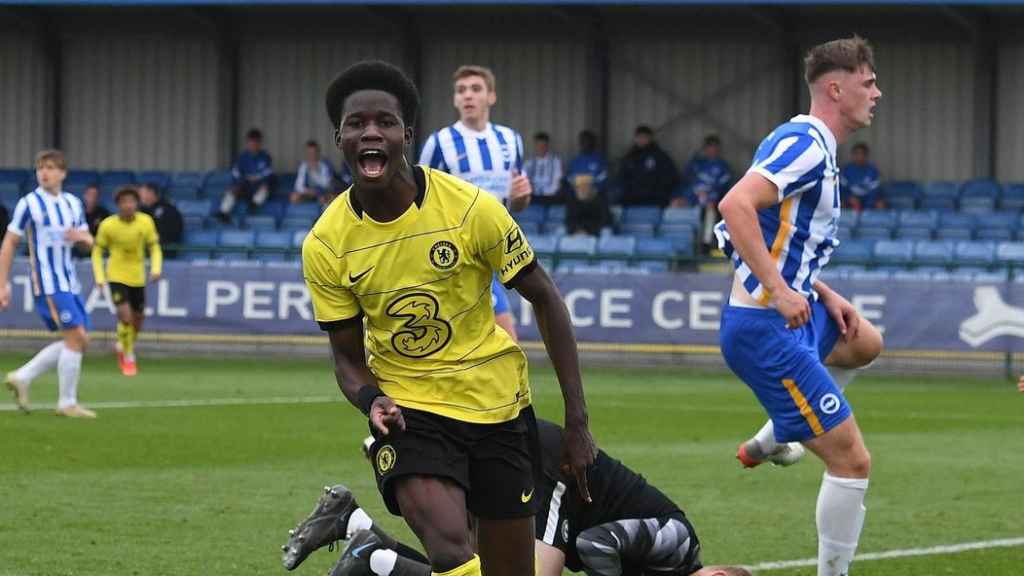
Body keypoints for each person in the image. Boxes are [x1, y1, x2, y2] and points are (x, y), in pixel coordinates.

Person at [303, 60, 595, 576]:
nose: (371, 132)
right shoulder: (326, 243)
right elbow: (347, 360)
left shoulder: (470, 209)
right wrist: (372, 401)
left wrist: (577, 420)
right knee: (450, 549)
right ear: (340, 138)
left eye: (385, 122)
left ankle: (378, 560)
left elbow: (545, 298)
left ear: (406, 136)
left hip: (497, 407)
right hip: (412, 412)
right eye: (357, 123)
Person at [714, 37, 883, 576]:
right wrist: (782, 291)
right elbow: (734, 206)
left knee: (864, 344)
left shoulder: (812, 145)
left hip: (792, 313)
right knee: (852, 461)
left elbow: (741, 231)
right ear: (836, 88)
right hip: (765, 329)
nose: (877, 93)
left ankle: (769, 439)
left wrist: (816, 290)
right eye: (868, 82)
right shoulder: (806, 143)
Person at [281, 419, 750, 576]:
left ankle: (364, 538)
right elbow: (596, 546)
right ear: (719, 570)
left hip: (552, 489)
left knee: (470, 565)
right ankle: (373, 552)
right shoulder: (679, 542)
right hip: (559, 473)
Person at [418, 65, 531, 341]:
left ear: (491, 97)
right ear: (455, 100)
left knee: (492, 344)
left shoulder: (510, 140)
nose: (468, 96)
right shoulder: (439, 143)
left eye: (476, 89)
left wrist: (521, 198)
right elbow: (416, 201)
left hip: (492, 252)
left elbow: (517, 203)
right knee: (506, 341)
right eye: (461, 90)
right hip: (455, 255)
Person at [0, 149, 96, 418]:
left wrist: (84, 238)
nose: (45, 172)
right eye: (41, 167)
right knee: (76, 337)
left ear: (63, 173)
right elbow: (9, 243)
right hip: (48, 282)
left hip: (69, 281)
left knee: (79, 339)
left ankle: (22, 376)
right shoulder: (29, 203)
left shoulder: (73, 204)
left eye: (51, 167)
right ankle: (67, 403)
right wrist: (2, 284)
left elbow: (88, 241)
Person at [92, 186, 162, 376]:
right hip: (116, 275)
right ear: (118, 205)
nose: (128, 205)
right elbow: (97, 251)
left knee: (138, 320)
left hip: (137, 277)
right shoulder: (108, 225)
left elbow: (154, 247)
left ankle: (123, 344)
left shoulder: (145, 222)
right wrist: (99, 276)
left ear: (137, 203)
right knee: (125, 316)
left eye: (131, 201)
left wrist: (156, 268)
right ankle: (128, 357)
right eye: (124, 202)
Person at [676, 135, 733, 249]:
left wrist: (712, 199)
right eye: (709, 147)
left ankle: (705, 245)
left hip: (711, 203)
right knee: (675, 205)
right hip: (692, 200)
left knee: (710, 211)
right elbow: (686, 183)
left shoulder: (723, 167)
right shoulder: (696, 164)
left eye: (714, 147)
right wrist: (682, 197)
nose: (712, 150)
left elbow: (724, 189)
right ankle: (679, 245)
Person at [217, 128, 274, 221]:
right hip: (245, 186)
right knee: (233, 189)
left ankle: (253, 205)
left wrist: (257, 178)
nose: (253, 145)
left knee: (265, 187)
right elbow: (236, 173)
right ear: (247, 143)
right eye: (251, 142)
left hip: (258, 186)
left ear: (260, 143)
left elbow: (267, 173)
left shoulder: (265, 157)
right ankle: (223, 212)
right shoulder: (242, 157)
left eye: (256, 142)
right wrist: (243, 180)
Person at [619, 125, 678, 207]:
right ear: (635, 138)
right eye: (639, 137)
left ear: (650, 138)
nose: (641, 140)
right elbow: (622, 178)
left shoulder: (660, 156)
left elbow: (670, 177)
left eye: (644, 137)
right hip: (632, 200)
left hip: (655, 200)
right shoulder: (630, 157)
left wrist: (658, 192)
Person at [565, 130, 611, 237]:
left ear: (593, 143)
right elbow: (569, 179)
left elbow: (603, 179)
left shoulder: (599, 160)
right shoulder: (576, 161)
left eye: (587, 141)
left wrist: (592, 191)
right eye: (582, 141)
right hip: (577, 232)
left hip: (594, 198)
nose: (585, 144)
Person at [139, 183, 183, 259]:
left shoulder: (169, 210)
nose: (139, 197)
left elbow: (171, 233)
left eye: (141, 193)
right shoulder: (142, 211)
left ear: (151, 193)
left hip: (164, 251)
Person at [839, 143, 882, 212]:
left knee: (880, 204)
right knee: (841, 204)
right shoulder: (846, 170)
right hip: (852, 199)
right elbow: (842, 189)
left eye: (862, 154)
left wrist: (868, 206)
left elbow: (875, 191)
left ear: (866, 155)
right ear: (852, 155)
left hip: (868, 198)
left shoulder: (873, 170)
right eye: (856, 154)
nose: (859, 156)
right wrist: (849, 198)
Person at [292, 140, 338, 205]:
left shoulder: (325, 165)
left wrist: (315, 171)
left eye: (313, 153)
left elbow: (326, 184)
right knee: (294, 197)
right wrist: (308, 191)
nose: (311, 155)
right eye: (309, 153)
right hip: (309, 192)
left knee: (325, 198)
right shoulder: (303, 166)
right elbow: (298, 186)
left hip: (323, 192)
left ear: (318, 152)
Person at [524, 132, 564, 205]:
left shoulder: (555, 161)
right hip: (533, 196)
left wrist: (548, 192)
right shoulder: (529, 162)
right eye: (539, 145)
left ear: (547, 146)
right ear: (535, 146)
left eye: (544, 145)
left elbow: (557, 180)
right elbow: (525, 179)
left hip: (551, 196)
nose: (541, 148)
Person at [76, 184, 111, 258]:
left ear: (98, 197)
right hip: (81, 244)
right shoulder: (77, 212)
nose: (92, 198)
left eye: (95, 195)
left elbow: (109, 233)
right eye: (89, 194)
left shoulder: (104, 213)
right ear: (84, 195)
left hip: (98, 245)